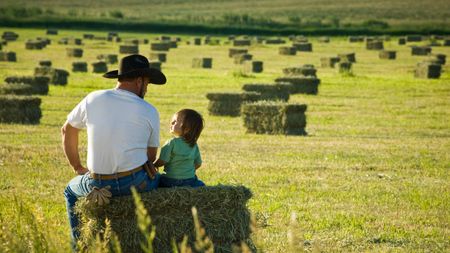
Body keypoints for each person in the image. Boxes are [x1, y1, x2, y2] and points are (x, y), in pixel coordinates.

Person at [61, 54, 166, 246]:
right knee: (163, 181)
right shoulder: (150, 110)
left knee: (70, 191)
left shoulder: (93, 98)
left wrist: (77, 167)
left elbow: (67, 129)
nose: (147, 89)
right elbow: (151, 158)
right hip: (133, 183)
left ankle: (79, 247)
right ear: (139, 81)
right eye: (148, 84)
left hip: (96, 182)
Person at [154, 109, 205, 188]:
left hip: (170, 180)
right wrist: (186, 172)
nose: (171, 123)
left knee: (156, 180)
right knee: (200, 185)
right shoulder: (194, 145)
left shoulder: (171, 142)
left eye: (175, 122)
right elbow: (198, 163)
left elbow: (162, 161)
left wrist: (154, 165)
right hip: (189, 180)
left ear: (187, 129)